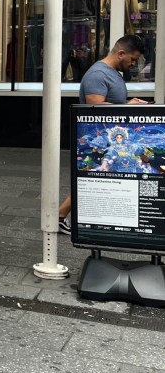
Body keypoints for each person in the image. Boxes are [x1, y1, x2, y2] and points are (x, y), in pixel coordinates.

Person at [58, 34, 147, 233]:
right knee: (93, 177)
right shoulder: (98, 74)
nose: (133, 64)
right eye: (132, 59)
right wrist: (126, 105)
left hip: (108, 138)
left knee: (96, 178)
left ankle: (71, 217)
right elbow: (94, 106)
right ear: (121, 53)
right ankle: (60, 215)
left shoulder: (112, 73)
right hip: (97, 139)